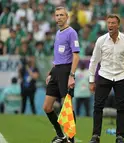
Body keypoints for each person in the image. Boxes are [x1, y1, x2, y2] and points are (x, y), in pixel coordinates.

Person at [88, 14, 124, 143]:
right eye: (108, 23)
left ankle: (119, 136)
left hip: (121, 77)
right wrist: (91, 80)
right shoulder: (101, 40)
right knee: (98, 106)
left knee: (121, 108)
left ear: (118, 25)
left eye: (113, 23)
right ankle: (96, 136)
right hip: (104, 75)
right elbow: (94, 60)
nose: (110, 25)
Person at [42, 6, 80, 143]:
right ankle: (60, 135)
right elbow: (58, 55)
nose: (59, 17)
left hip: (66, 71)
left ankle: (71, 139)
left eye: (61, 15)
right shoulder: (58, 33)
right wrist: (51, 72)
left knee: (67, 107)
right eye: (57, 15)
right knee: (47, 107)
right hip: (56, 70)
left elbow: (76, 56)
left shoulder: (72, 33)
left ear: (67, 17)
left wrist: (72, 75)